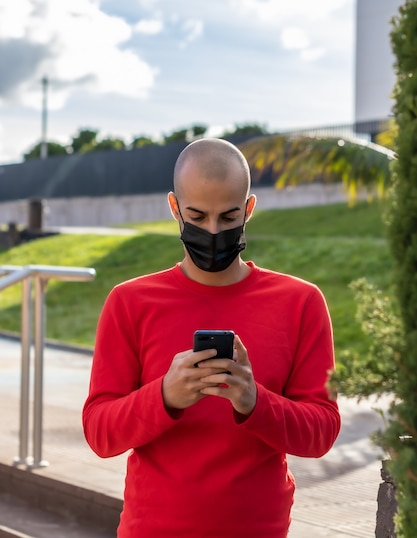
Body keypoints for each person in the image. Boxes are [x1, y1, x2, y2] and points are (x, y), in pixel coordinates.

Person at [82, 137, 341, 538]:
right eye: (198, 216)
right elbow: (100, 433)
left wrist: (255, 402)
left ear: (249, 209)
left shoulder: (300, 303)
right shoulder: (130, 302)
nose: (214, 230)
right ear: (174, 209)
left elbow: (322, 431)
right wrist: (164, 396)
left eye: (229, 216)